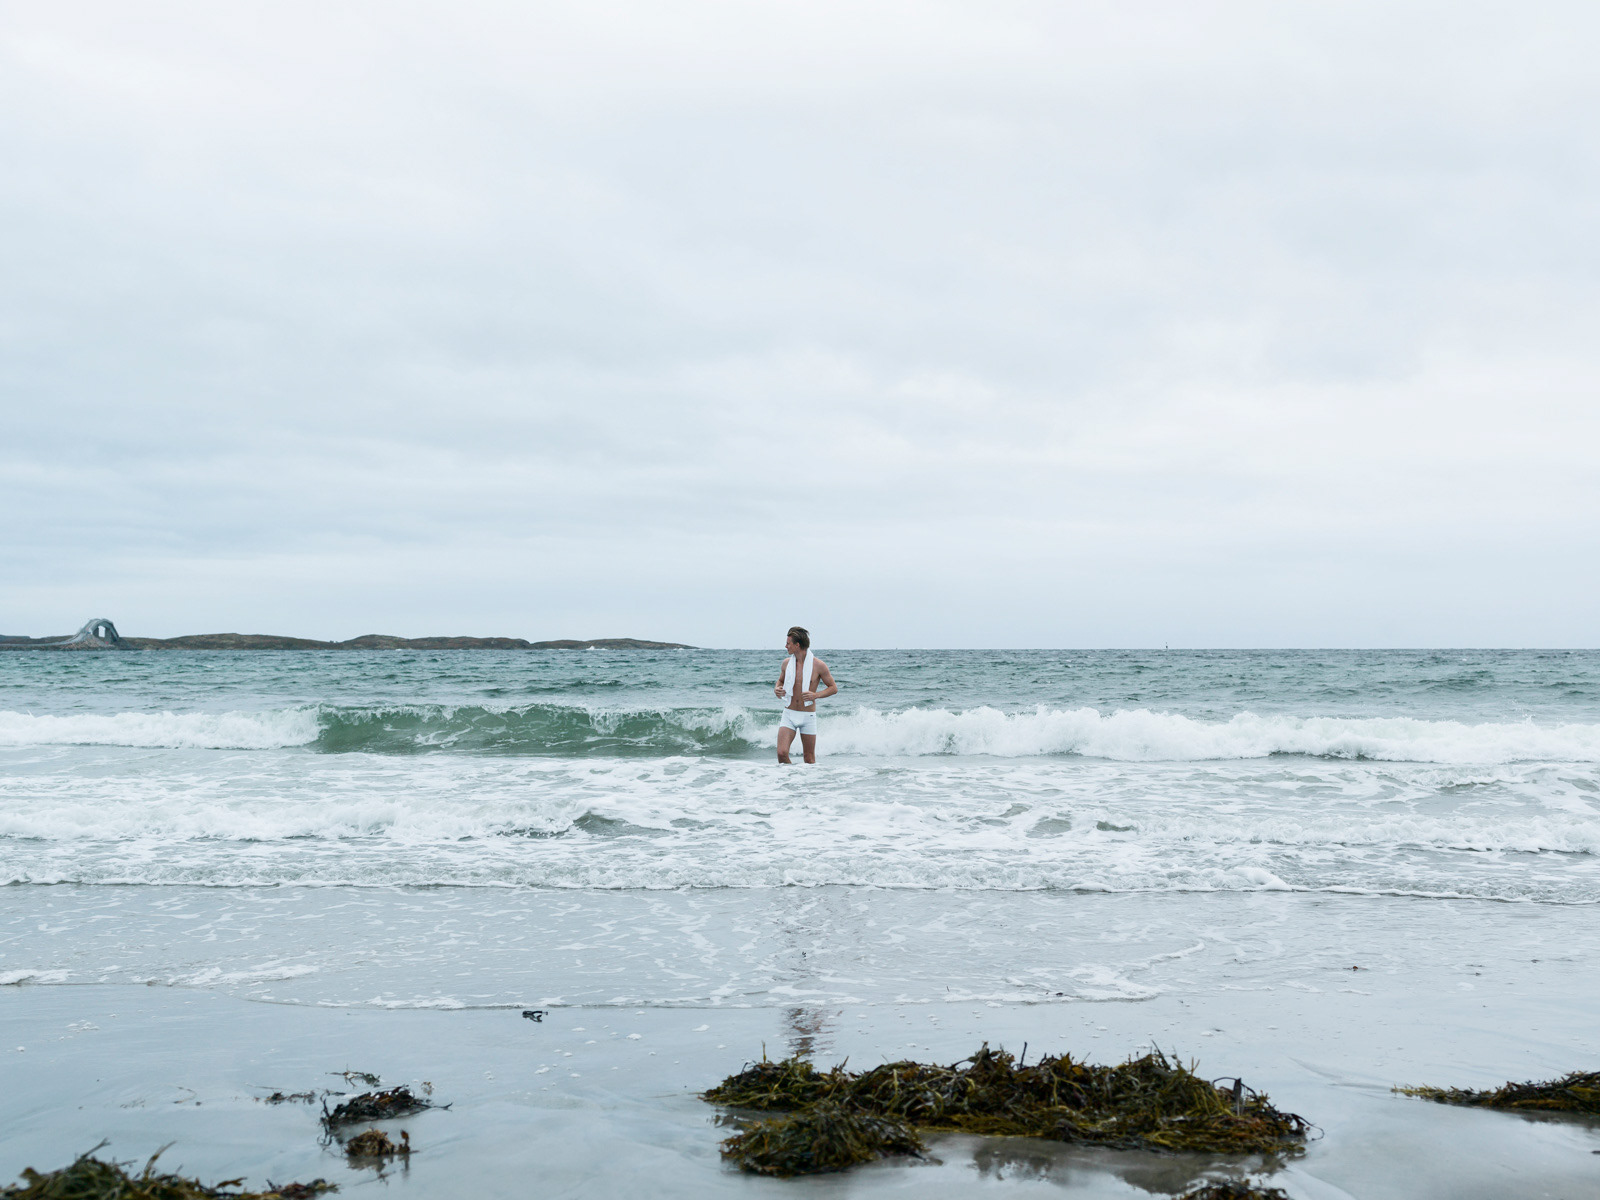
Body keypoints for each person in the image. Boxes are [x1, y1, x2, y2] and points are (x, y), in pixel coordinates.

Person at [773, 626, 838, 764]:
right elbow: (780, 681)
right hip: (789, 714)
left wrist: (816, 695)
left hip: (808, 716)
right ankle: (790, 777)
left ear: (797, 645)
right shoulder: (786, 663)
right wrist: (777, 688)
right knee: (781, 753)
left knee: (809, 759)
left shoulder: (819, 665)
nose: (786, 646)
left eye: (788, 643)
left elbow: (833, 688)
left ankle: (805, 779)